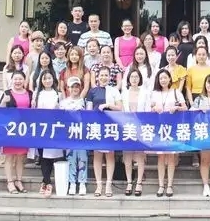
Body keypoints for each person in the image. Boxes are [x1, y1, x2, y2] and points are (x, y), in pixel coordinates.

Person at [149, 69, 187, 197]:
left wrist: (176, 108)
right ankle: (161, 185)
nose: (163, 80)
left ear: (170, 79)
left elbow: (185, 108)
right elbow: (148, 109)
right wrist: (154, 108)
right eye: (161, 78)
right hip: (159, 128)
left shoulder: (176, 92)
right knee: (161, 157)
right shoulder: (154, 93)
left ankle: (169, 185)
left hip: (172, 128)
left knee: (171, 157)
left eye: (165, 77)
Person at [86, 67, 122, 197]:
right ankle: (99, 185)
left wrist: (108, 106)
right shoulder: (92, 91)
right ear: (97, 76)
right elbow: (88, 110)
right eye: (101, 75)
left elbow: (120, 108)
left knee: (110, 155)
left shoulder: (114, 91)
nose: (103, 77)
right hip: (96, 126)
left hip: (110, 126)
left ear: (110, 77)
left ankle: (108, 185)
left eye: (106, 75)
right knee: (97, 156)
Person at [31, 70, 62, 197]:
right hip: (41, 128)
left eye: (49, 78)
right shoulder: (36, 94)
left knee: (51, 155)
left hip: (54, 128)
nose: (47, 81)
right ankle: (47, 182)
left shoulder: (58, 94)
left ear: (53, 79)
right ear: (41, 81)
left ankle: (46, 182)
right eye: (45, 78)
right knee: (43, 156)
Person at [0, 70, 31, 194]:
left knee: (20, 156)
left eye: (20, 79)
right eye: (15, 79)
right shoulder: (7, 93)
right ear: (11, 80)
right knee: (9, 156)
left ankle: (19, 180)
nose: (18, 81)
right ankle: (10, 182)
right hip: (10, 130)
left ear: (24, 80)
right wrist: (3, 101)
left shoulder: (30, 93)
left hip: (24, 129)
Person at [120, 69, 150, 196]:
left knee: (140, 155)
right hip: (127, 126)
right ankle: (129, 182)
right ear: (128, 79)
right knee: (127, 156)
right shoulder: (124, 93)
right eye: (132, 77)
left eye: (136, 77)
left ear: (140, 79)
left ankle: (139, 182)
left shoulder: (145, 93)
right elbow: (122, 110)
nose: (134, 79)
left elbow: (147, 110)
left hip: (140, 126)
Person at [60, 77, 88, 196]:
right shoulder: (63, 102)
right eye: (72, 87)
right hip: (69, 134)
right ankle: (72, 183)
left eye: (77, 86)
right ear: (68, 88)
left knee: (82, 158)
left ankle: (82, 183)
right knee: (71, 159)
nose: (75, 89)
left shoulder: (85, 101)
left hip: (82, 134)